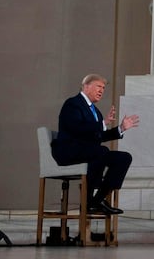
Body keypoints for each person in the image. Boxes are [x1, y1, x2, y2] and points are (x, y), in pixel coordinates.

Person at [51, 74, 140, 215]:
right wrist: (102, 123)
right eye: (98, 86)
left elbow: (98, 136)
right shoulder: (73, 103)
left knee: (123, 158)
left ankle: (97, 200)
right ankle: (87, 200)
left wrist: (120, 128)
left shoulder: (95, 111)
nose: (101, 91)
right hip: (68, 151)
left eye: (103, 88)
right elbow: (76, 128)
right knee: (100, 151)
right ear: (86, 86)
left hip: (88, 152)